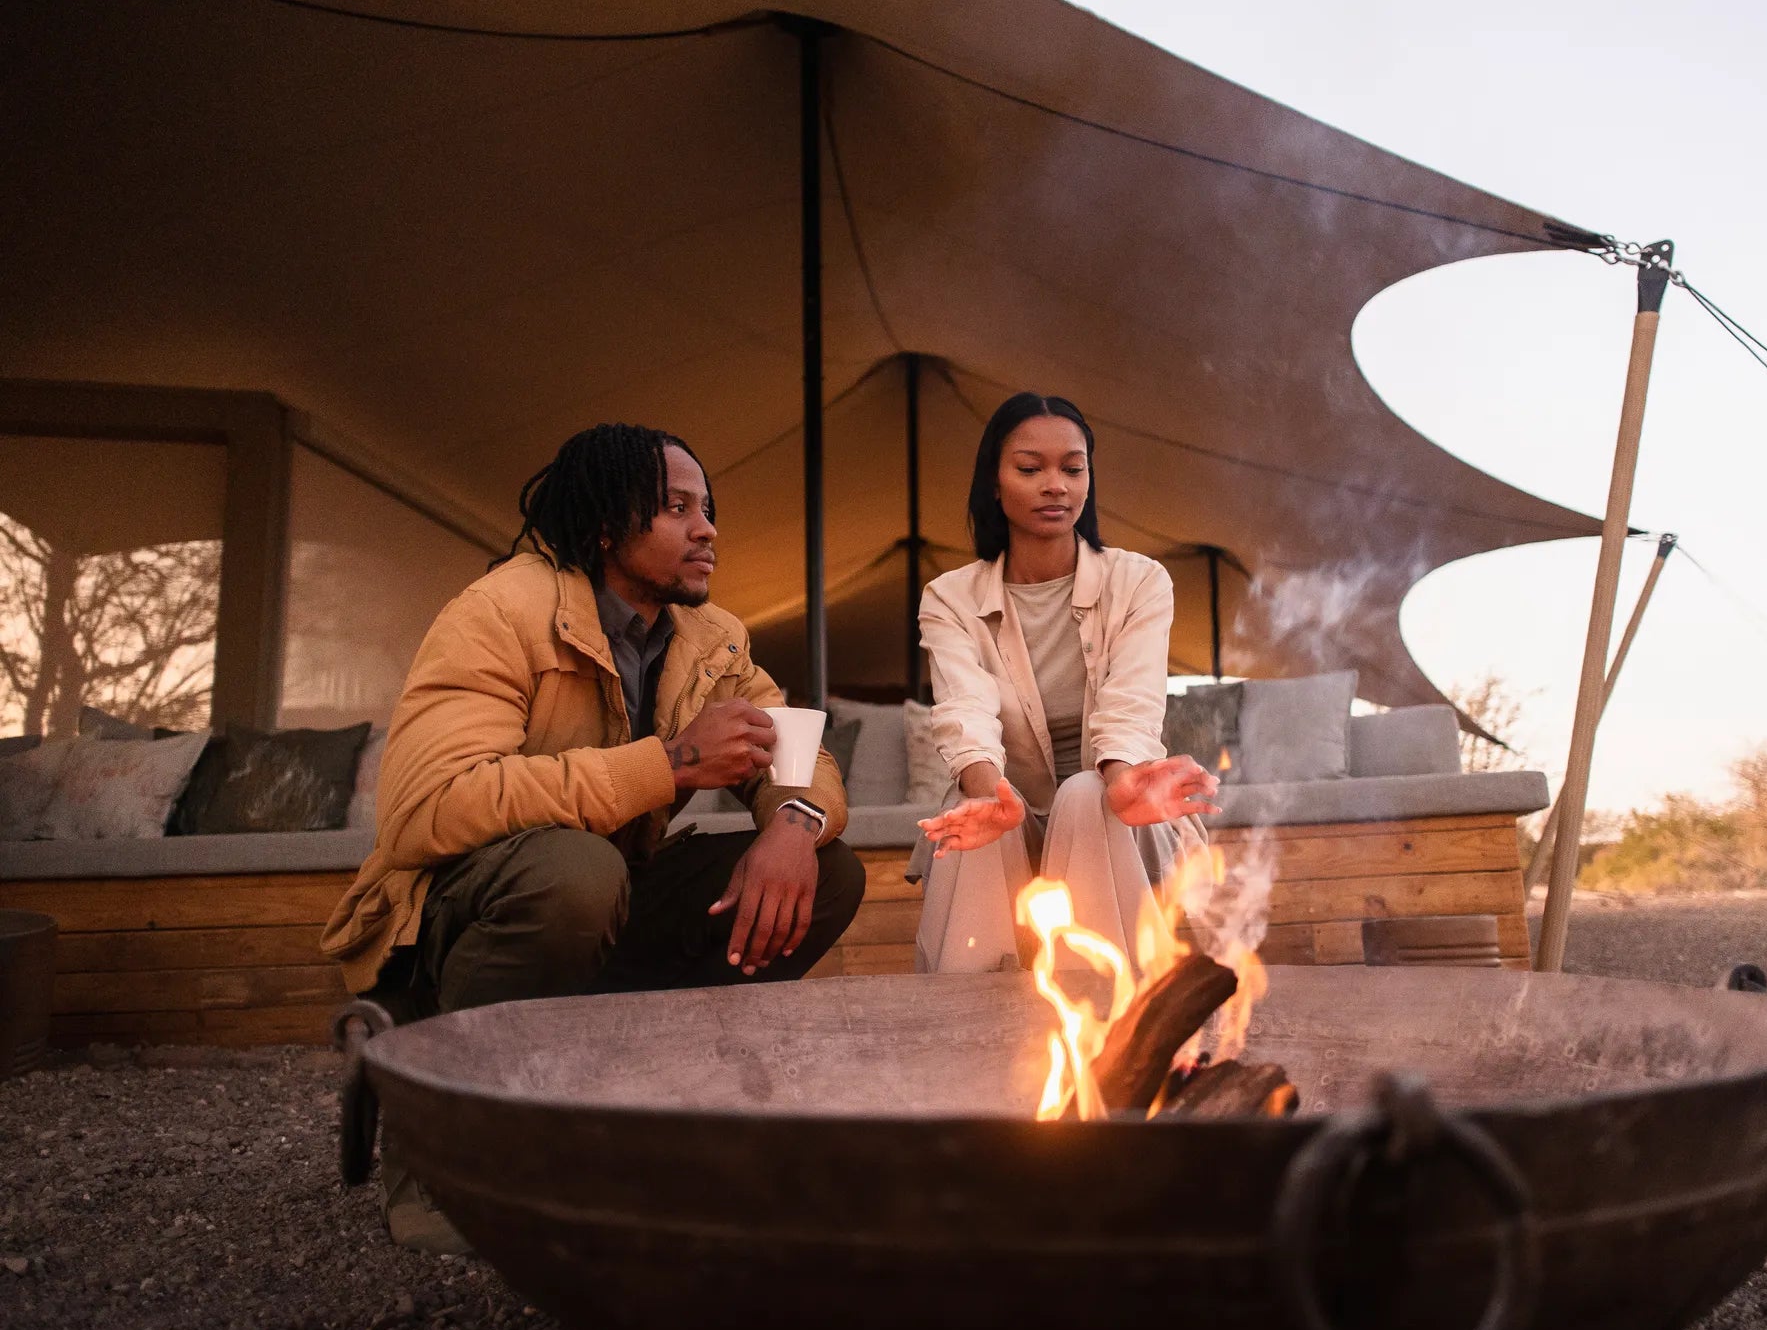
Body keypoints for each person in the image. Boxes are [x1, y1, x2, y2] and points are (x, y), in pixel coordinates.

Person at [323, 422, 863, 1253]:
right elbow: (423, 805)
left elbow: (797, 752)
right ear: (608, 524)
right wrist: (670, 762)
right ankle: (437, 1140)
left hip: (600, 900)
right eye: (677, 508)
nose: (707, 527)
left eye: (708, 508)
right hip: (456, 910)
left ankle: (635, 1119)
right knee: (575, 874)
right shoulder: (502, 609)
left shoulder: (710, 637)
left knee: (826, 874)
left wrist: (795, 821)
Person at [913, 393, 1220, 973]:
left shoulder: (1140, 582)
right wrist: (989, 793)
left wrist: (1125, 780)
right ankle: (970, 1030)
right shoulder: (949, 598)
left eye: (1073, 468)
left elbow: (1130, 704)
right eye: (1030, 469)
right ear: (994, 483)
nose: (1056, 485)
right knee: (978, 805)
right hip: (1011, 808)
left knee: (1086, 795)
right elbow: (964, 711)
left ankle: (1107, 1019)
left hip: (1115, 808)